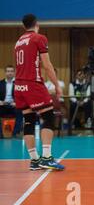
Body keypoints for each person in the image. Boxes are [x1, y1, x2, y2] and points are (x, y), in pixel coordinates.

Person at [14, 14, 64, 170]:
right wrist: (57, 85)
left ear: (24, 27)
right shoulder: (39, 38)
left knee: (28, 120)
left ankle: (34, 160)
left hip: (19, 85)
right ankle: (47, 158)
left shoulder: (18, 42)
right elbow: (47, 66)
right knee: (48, 116)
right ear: (37, 24)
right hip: (32, 83)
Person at [0, 65, 23, 137]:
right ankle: (0, 135)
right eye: (8, 71)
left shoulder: (19, 83)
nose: (9, 73)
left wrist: (17, 103)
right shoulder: (0, 83)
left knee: (20, 112)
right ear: (5, 72)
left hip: (14, 105)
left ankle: (15, 133)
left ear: (14, 72)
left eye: (11, 71)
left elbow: (22, 96)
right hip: (2, 105)